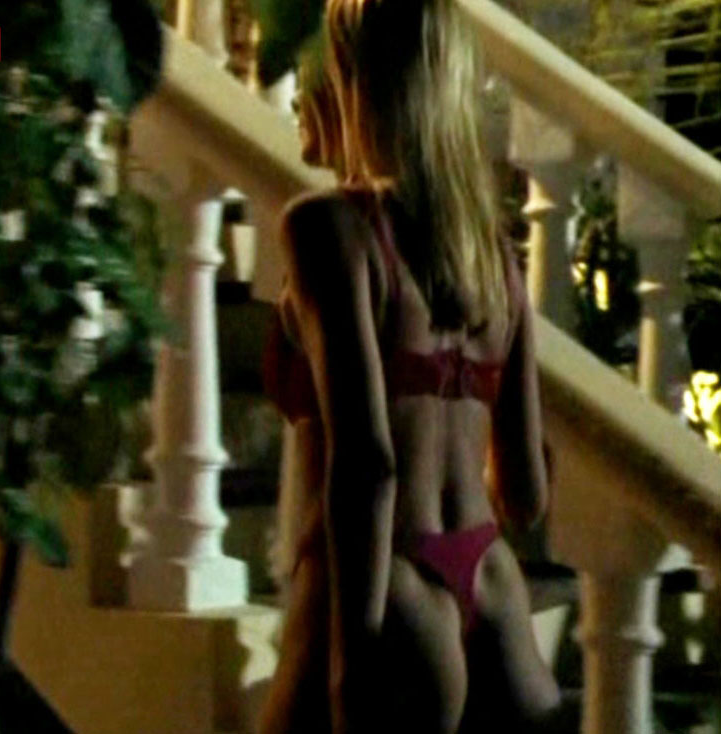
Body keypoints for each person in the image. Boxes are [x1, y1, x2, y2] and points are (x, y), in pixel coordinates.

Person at [257, 0, 561, 732]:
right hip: (492, 585)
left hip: (386, 586)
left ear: (358, 82)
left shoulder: (330, 229)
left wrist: (350, 657)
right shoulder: (495, 257)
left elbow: (367, 462)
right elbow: (526, 491)